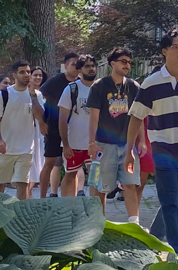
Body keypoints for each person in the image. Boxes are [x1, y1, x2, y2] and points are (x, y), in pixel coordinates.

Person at [126, 30, 178, 254]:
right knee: (171, 203)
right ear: (164, 51)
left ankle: (155, 240)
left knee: (175, 202)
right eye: (175, 46)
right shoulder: (151, 83)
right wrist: (129, 150)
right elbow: (136, 116)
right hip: (162, 148)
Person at [88, 49, 141, 217]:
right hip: (104, 145)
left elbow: (139, 116)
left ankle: (135, 225)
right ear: (113, 63)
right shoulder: (100, 86)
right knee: (100, 188)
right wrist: (91, 143)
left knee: (130, 185)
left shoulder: (133, 87)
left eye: (129, 62)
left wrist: (142, 141)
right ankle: (99, 225)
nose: (127, 65)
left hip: (127, 145)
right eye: (123, 61)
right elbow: (94, 117)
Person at [0, 61, 41, 199]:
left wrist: (33, 95)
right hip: (5, 148)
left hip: (26, 149)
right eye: (22, 72)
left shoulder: (36, 95)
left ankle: (19, 214)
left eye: (28, 71)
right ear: (14, 75)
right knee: (0, 183)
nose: (26, 75)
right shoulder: (4, 94)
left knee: (22, 183)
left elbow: (40, 116)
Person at [38, 53, 81, 198]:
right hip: (53, 128)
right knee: (49, 163)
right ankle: (42, 198)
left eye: (79, 64)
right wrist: (41, 121)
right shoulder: (54, 81)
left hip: (73, 130)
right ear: (66, 66)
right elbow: (37, 98)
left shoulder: (81, 84)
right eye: (74, 64)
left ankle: (70, 200)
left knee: (73, 168)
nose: (77, 67)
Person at [58, 54, 100, 196]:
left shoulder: (101, 89)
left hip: (95, 144)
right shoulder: (71, 89)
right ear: (80, 70)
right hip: (74, 143)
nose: (91, 69)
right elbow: (62, 119)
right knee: (70, 174)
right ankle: (67, 207)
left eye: (93, 66)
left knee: (96, 176)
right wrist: (66, 144)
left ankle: (95, 208)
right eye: (87, 66)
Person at [29, 68, 47, 182]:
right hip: (25, 131)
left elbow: (41, 113)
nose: (38, 77)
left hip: (37, 132)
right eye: (35, 75)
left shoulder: (39, 94)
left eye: (40, 75)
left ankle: (29, 193)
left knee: (37, 162)